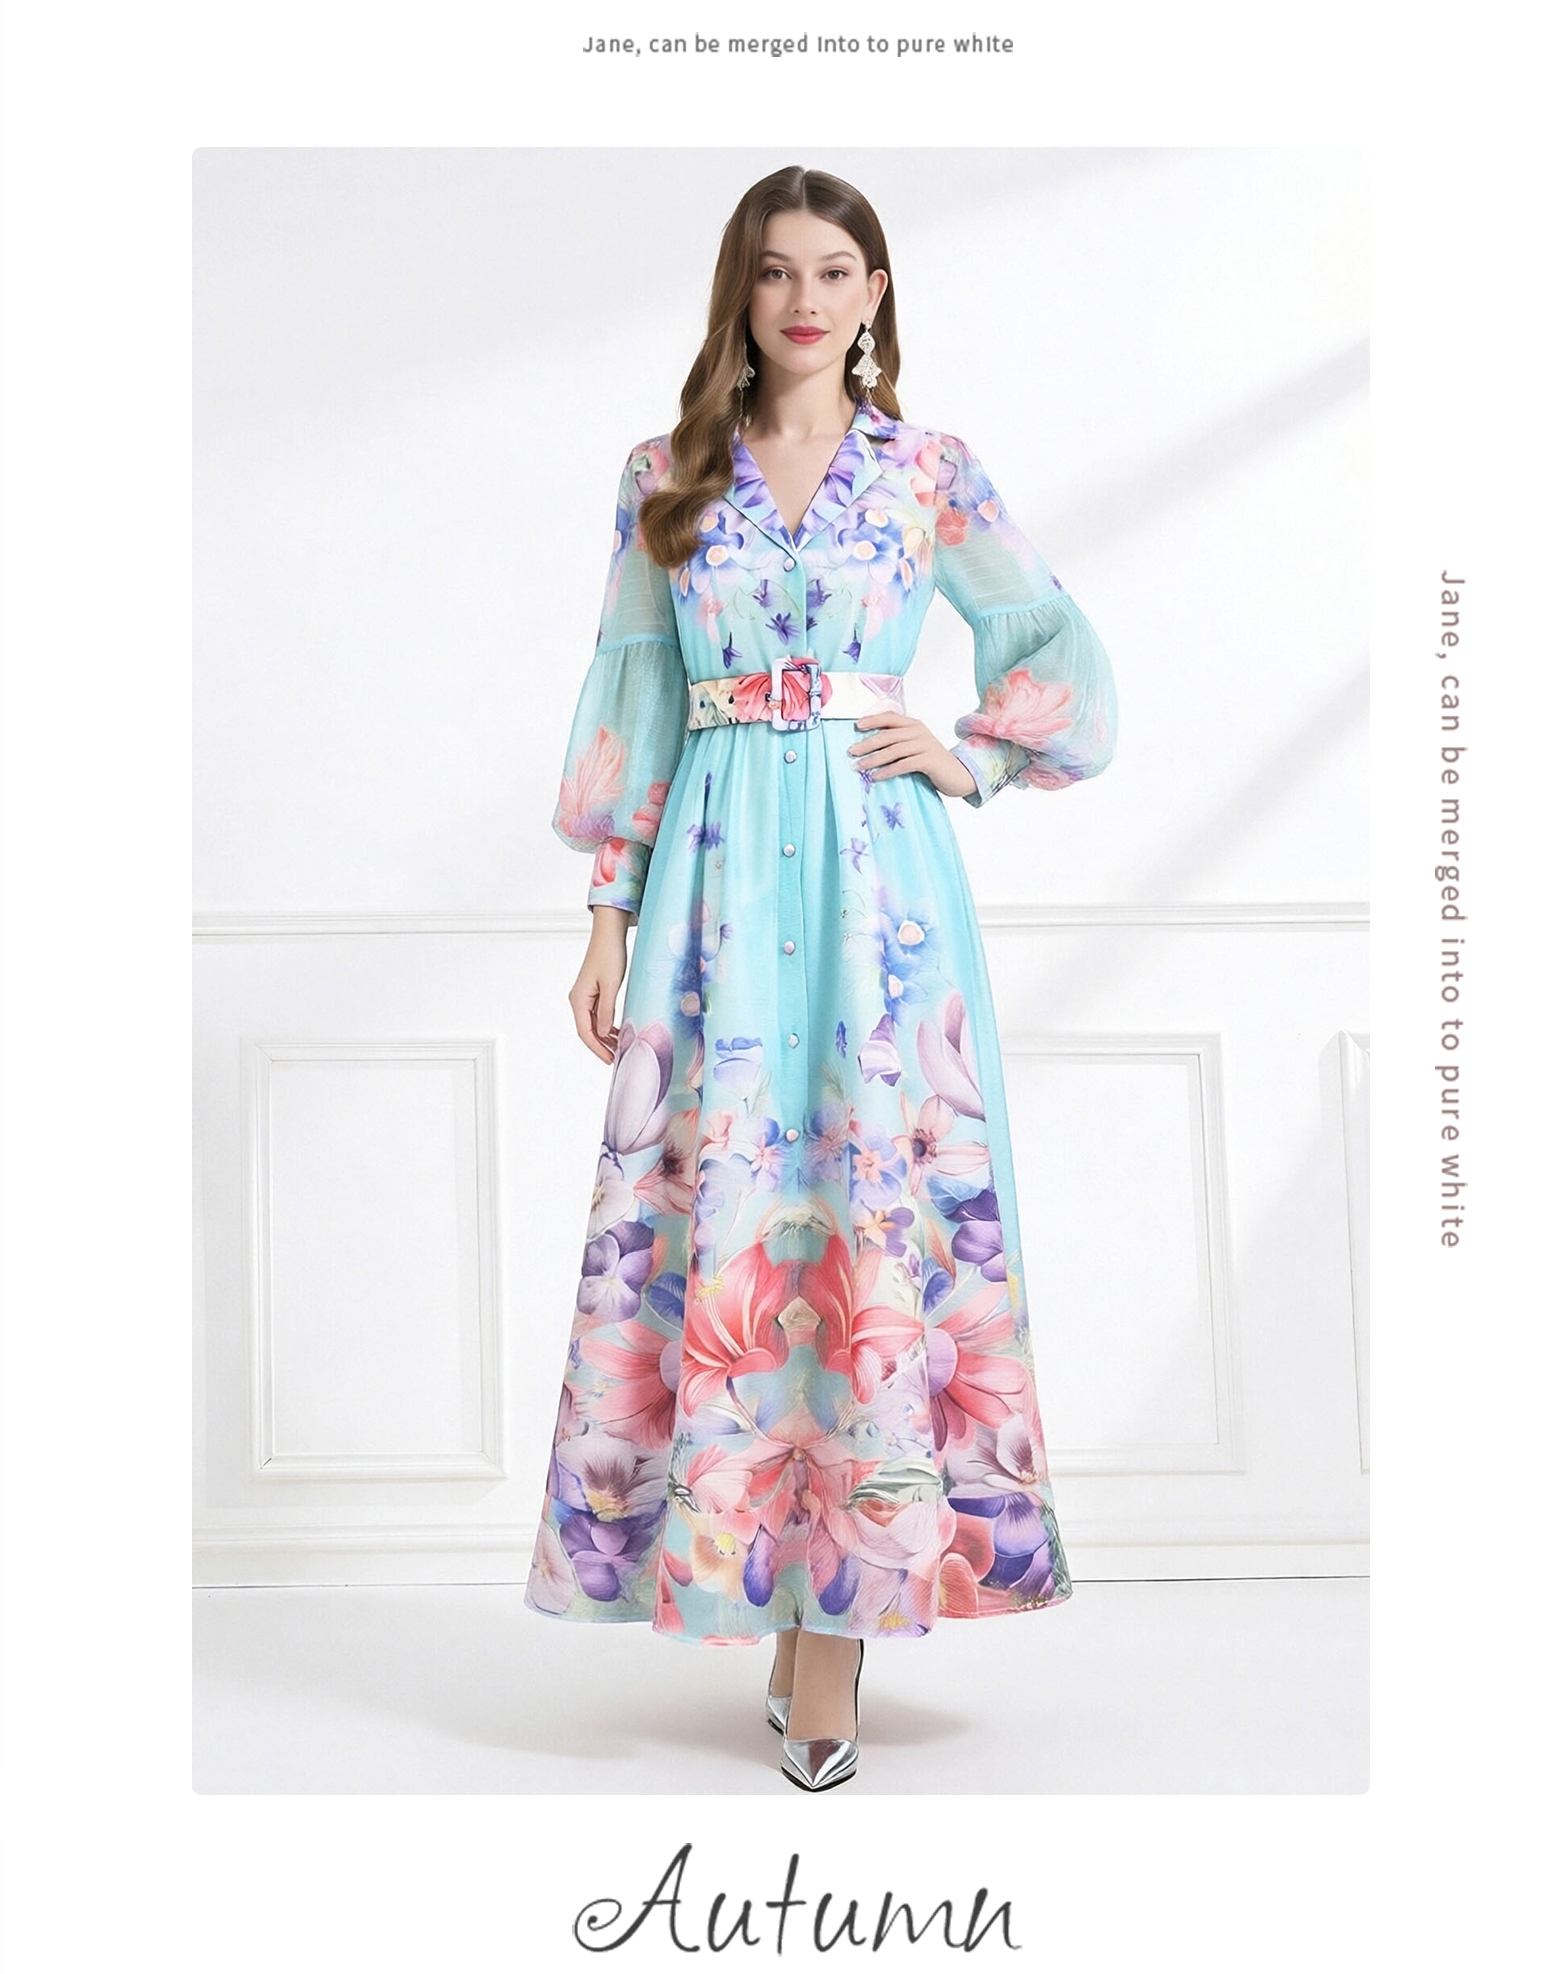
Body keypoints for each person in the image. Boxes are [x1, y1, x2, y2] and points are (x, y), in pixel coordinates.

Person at [524, 165, 1117, 1791]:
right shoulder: (667, 477)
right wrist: (606, 912)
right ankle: (750, 1577)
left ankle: (834, 1629)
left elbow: (1054, 643)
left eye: (836, 270)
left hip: (880, 891)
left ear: (875, 292)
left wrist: (976, 756)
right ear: (744, 287)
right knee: (723, 1218)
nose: (805, 298)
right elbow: (635, 700)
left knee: (874, 1217)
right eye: (778, 270)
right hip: (711, 882)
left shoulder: (929, 472)